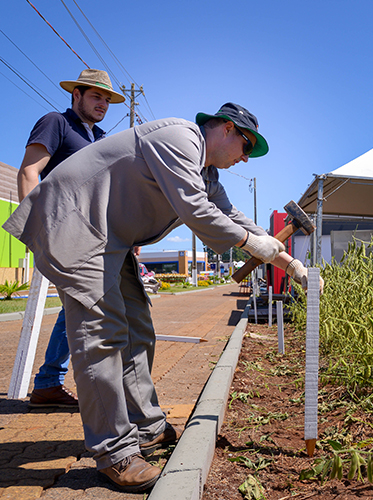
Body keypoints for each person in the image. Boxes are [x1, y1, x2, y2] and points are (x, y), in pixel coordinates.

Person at [4, 102, 322, 492]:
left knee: (138, 326)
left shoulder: (205, 172)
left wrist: (291, 265)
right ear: (225, 129)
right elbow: (196, 209)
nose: (245, 158)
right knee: (101, 336)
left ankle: (147, 426)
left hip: (112, 239)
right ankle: (114, 452)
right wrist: (249, 242)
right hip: (77, 225)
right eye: (245, 146)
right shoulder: (180, 138)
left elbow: (232, 215)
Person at [18, 68, 125, 409]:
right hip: (63, 230)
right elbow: (29, 171)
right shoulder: (56, 123)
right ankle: (56, 382)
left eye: (107, 99)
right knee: (82, 305)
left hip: (97, 236)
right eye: (95, 96)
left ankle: (49, 381)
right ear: (75, 95)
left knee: (79, 307)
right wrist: (35, 228)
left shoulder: (100, 137)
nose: (103, 104)